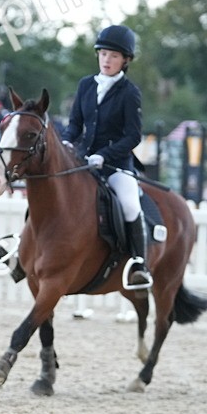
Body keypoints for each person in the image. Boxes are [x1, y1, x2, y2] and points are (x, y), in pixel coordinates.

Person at [61, 24, 151, 288]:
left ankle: (139, 264)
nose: (107, 60)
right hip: (83, 161)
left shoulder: (129, 93)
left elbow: (133, 136)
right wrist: (67, 141)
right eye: (103, 54)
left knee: (130, 205)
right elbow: (75, 124)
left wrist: (104, 154)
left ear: (125, 60)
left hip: (115, 166)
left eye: (114, 56)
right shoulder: (86, 85)